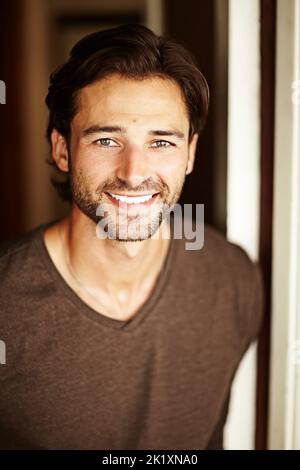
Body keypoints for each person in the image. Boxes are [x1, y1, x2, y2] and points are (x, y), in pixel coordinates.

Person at [0, 23, 264, 450]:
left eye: (161, 142)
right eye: (106, 139)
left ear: (190, 154)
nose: (134, 172)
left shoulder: (232, 279)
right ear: (62, 149)